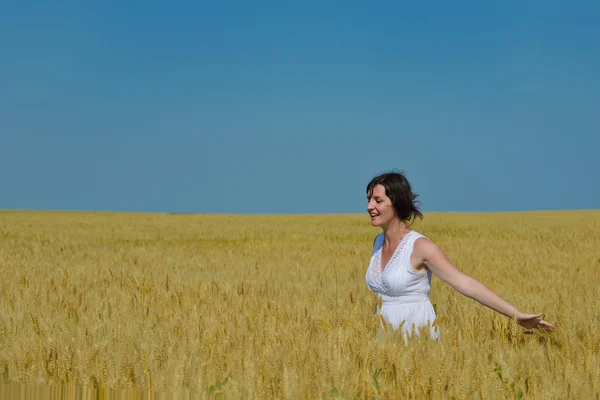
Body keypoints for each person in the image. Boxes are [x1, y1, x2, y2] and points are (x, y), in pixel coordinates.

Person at [365, 171, 555, 341]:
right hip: (384, 337)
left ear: (397, 203)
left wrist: (517, 315)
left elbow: (465, 284)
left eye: (378, 200)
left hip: (415, 337)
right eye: (369, 200)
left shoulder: (420, 246)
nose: (369, 206)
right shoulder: (378, 243)